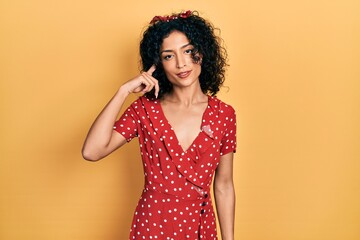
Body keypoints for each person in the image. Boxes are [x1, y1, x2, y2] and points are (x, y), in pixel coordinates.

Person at [82, 10, 237, 240]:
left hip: (200, 228)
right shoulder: (144, 110)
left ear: (202, 53)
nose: (181, 63)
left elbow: (224, 186)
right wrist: (123, 91)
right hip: (153, 226)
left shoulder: (224, 115)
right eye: (168, 56)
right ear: (158, 64)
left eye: (188, 51)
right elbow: (92, 151)